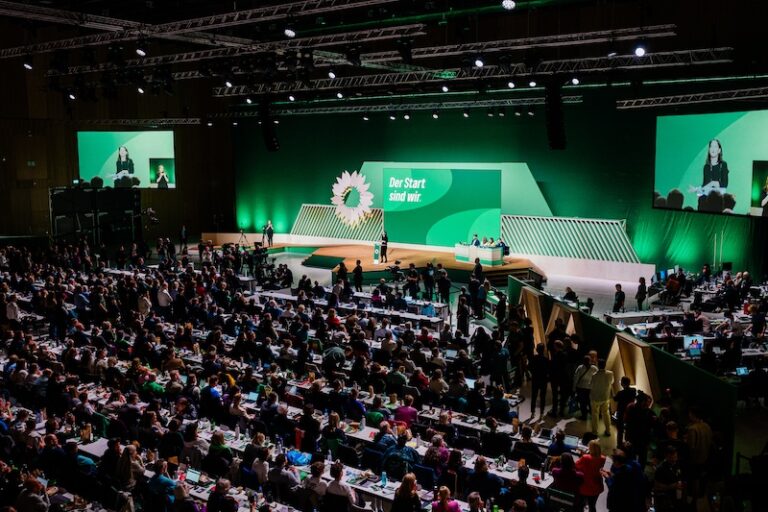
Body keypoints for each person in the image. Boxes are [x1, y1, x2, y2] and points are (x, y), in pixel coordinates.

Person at [575, 440, 606, 512]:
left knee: (581, 505)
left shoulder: (585, 457)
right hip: (596, 486)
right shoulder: (603, 458)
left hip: (585, 486)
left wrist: (582, 456)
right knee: (592, 506)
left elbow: (576, 465)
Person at [590, 359, 614, 436]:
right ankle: (608, 431)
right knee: (606, 414)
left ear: (598, 365)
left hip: (595, 398)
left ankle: (594, 432)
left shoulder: (594, 375)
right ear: (605, 365)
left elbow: (591, 385)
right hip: (605, 397)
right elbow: (612, 382)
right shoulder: (610, 374)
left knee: (595, 415)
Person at [612, 376, 637, 445]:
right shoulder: (633, 390)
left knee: (620, 430)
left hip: (621, 412)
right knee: (628, 429)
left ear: (623, 384)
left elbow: (615, 399)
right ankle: (627, 444)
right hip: (630, 412)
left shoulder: (620, 393)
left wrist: (612, 393)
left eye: (621, 382)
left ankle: (619, 444)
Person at [530, 343, 549, 417]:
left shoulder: (533, 358)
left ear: (537, 350)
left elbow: (529, 367)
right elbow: (548, 370)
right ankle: (541, 413)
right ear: (543, 350)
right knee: (543, 397)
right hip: (543, 380)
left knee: (534, 396)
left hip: (535, 379)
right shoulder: (546, 359)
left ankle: (532, 412)